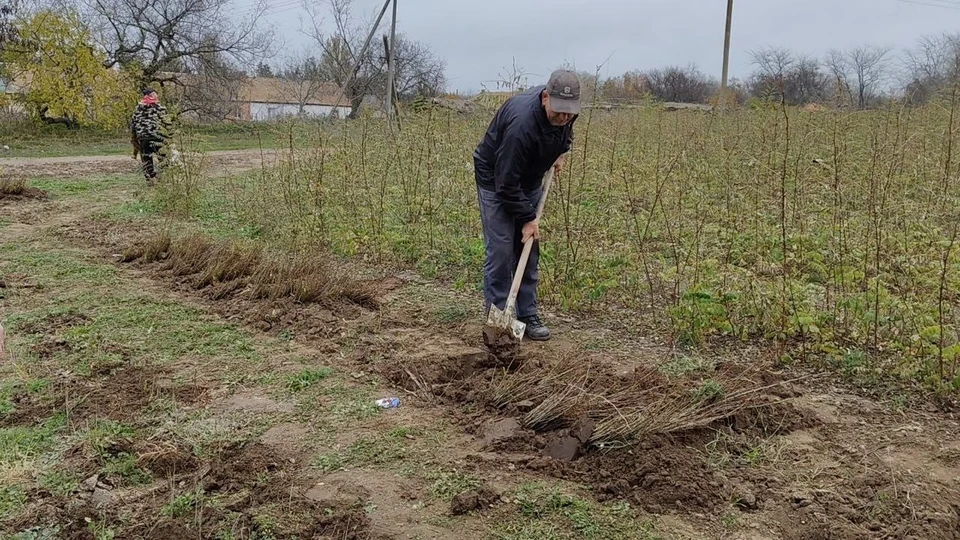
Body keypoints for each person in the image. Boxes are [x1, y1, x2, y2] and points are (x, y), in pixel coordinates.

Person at [473, 69, 580, 341]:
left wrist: (559, 153)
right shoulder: (521, 125)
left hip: (529, 178)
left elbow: (565, 134)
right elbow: (506, 183)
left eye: (569, 112)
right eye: (559, 112)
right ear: (545, 98)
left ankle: (527, 312)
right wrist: (529, 219)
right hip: (496, 178)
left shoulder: (566, 113)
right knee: (500, 250)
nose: (564, 117)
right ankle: (498, 316)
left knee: (528, 249)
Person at [130, 88, 171, 181]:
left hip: (144, 138)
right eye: (156, 94)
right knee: (163, 159)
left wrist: (135, 138)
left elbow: (133, 125)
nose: (157, 96)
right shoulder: (161, 108)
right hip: (159, 137)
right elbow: (168, 124)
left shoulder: (137, 109)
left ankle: (150, 179)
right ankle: (164, 178)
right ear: (152, 95)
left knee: (146, 159)